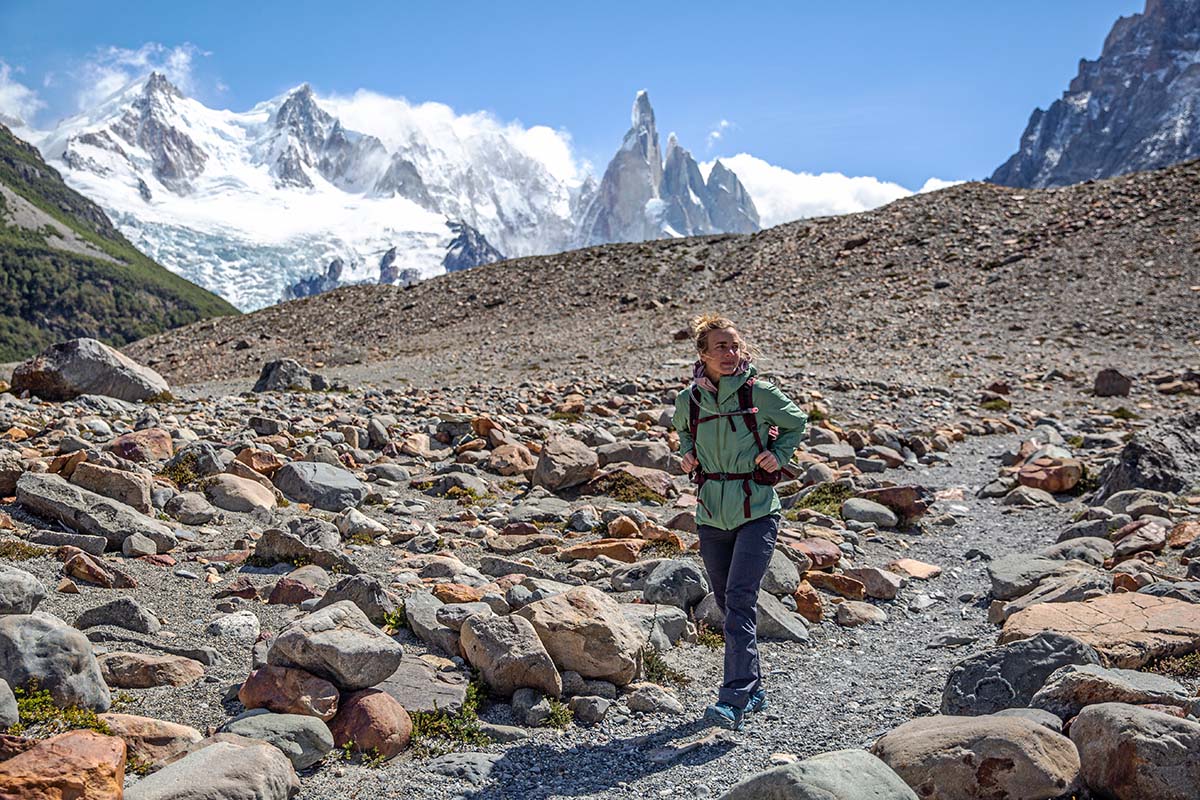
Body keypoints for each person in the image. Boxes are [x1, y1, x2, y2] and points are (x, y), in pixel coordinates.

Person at [672, 314, 808, 731]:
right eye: (720, 348)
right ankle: (754, 690)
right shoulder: (689, 401)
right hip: (711, 513)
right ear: (702, 355)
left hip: (757, 512)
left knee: (741, 601)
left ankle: (732, 698)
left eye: (735, 346)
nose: (730, 354)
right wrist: (688, 455)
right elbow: (684, 436)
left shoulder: (759, 393)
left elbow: (796, 422)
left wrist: (779, 456)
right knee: (729, 604)